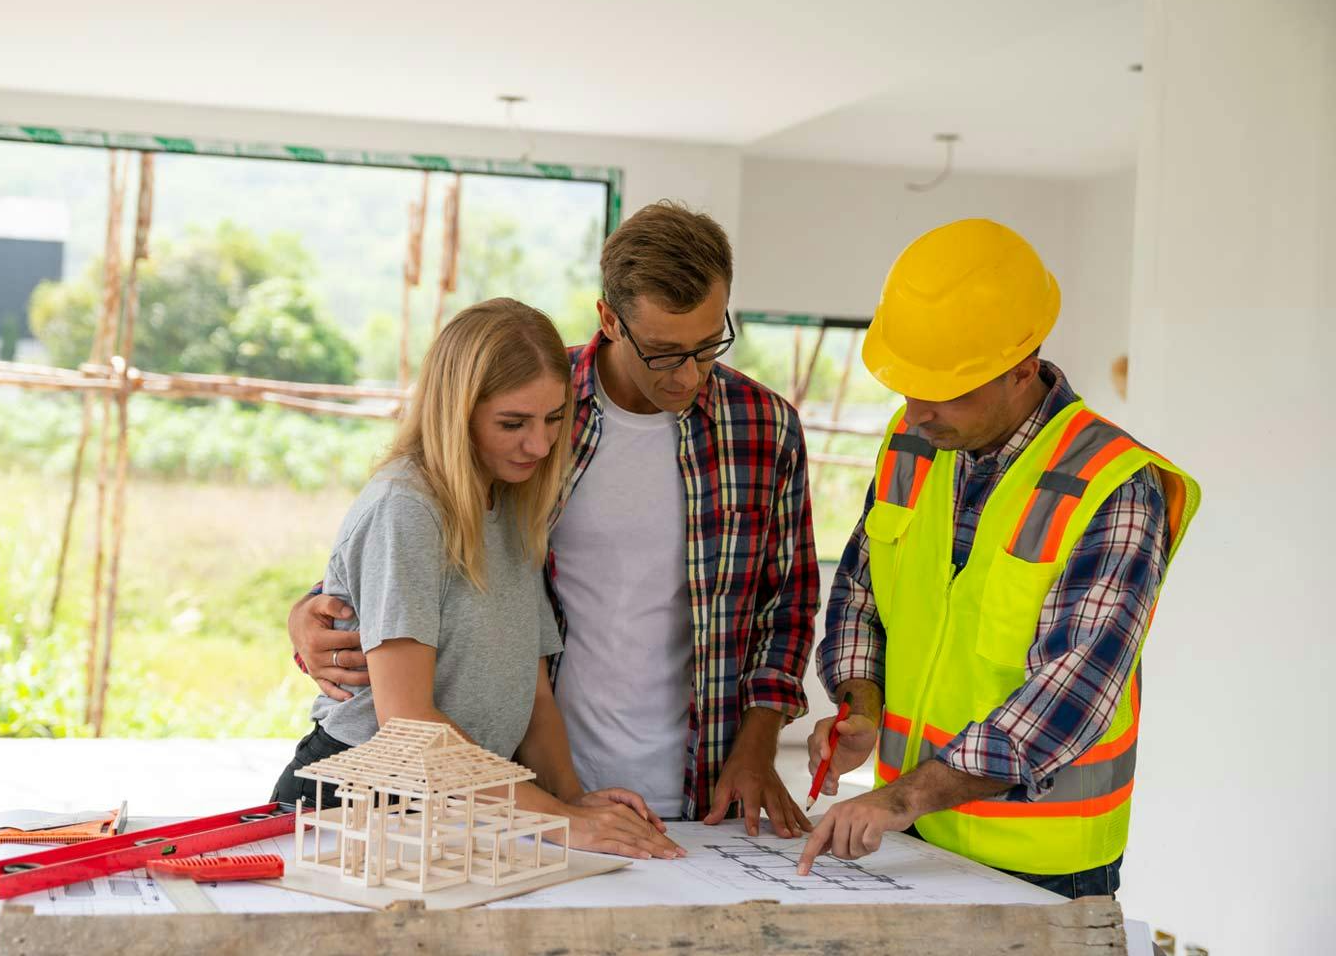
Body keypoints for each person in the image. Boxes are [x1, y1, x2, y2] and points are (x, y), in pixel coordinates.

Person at [291, 202, 819, 835]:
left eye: (707, 347)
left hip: (679, 781)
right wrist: (314, 609)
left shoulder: (762, 428)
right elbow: (398, 554)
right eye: (662, 352)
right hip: (491, 787)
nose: (688, 375)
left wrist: (757, 745)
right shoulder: (541, 394)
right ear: (610, 319)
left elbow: (786, 605)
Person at [798, 219, 1201, 900]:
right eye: (907, 385)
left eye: (943, 388)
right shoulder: (913, 440)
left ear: (1023, 367)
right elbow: (863, 593)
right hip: (914, 839)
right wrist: (859, 706)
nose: (916, 410)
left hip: (1042, 864)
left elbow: (1068, 696)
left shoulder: (1113, 486)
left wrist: (898, 800)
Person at [272, 297, 682, 861]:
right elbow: (408, 723)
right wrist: (555, 816)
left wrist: (571, 798)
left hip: (468, 799)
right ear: (455, 413)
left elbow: (533, 692)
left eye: (554, 419)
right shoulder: (407, 508)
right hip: (361, 799)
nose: (539, 445)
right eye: (513, 423)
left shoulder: (511, 502)